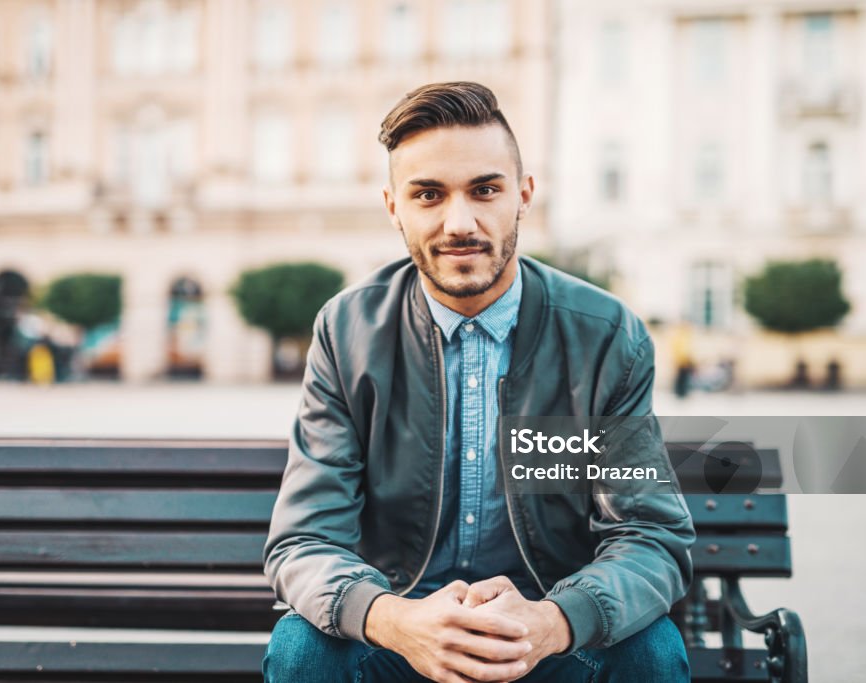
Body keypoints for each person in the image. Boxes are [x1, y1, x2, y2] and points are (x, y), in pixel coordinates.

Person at [263, 82, 694, 682]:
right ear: (394, 207)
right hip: (400, 632)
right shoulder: (347, 331)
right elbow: (304, 539)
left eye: (485, 190)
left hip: (549, 633)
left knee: (649, 651)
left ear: (524, 195)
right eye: (428, 194)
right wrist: (394, 620)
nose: (459, 221)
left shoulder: (604, 335)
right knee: (302, 649)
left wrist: (554, 622)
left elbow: (648, 533)